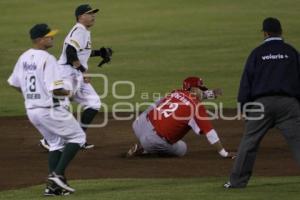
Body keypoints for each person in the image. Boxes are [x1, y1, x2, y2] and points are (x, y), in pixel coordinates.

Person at [7, 23, 86, 195]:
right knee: (78, 137)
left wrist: (29, 95)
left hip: (32, 111)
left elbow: (14, 83)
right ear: (39, 39)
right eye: (49, 36)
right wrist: (70, 94)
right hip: (48, 109)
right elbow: (55, 89)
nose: (52, 37)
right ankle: (57, 175)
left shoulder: (24, 57)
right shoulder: (47, 59)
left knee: (56, 143)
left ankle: (53, 188)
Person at [224, 17, 300, 188]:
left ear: (265, 33)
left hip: (261, 105)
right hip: (289, 105)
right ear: (281, 32)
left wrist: (244, 107)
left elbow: (246, 82)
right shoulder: (291, 52)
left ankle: (236, 182)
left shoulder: (257, 53)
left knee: (248, 143)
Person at [39, 4, 113, 151]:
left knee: (94, 103)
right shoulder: (79, 30)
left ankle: (77, 139)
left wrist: (99, 53)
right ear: (80, 17)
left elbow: (81, 52)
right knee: (63, 107)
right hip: (66, 73)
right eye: (89, 13)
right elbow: (71, 53)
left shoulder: (84, 31)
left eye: (93, 13)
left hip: (74, 73)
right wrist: (83, 70)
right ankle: (49, 140)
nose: (93, 16)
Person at [127, 77, 236, 158]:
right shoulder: (197, 107)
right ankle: (144, 150)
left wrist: (211, 93)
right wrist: (224, 153)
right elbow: (210, 132)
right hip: (152, 141)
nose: (202, 91)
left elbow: (193, 96)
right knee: (182, 148)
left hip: (139, 125)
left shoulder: (176, 92)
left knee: (161, 100)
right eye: (200, 88)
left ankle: (144, 142)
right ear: (193, 89)